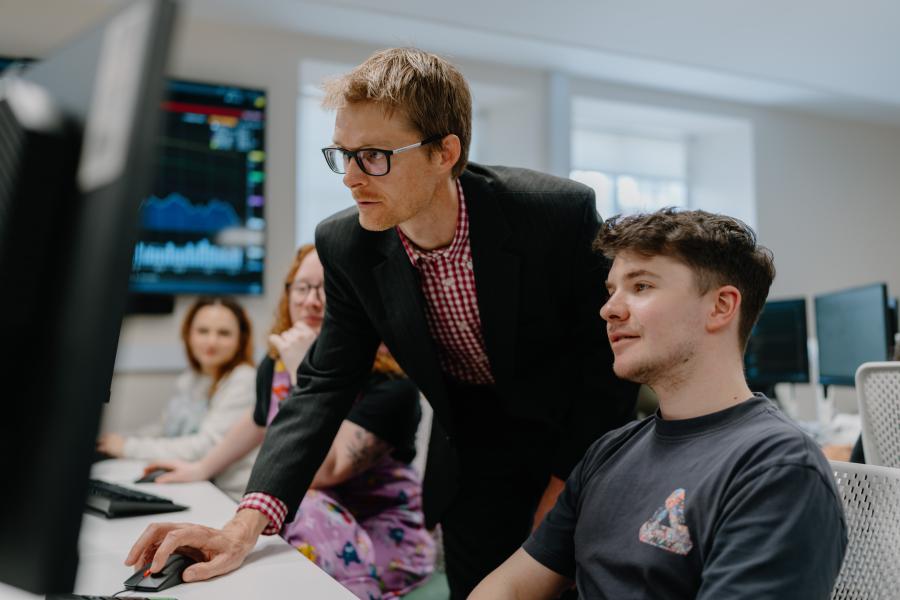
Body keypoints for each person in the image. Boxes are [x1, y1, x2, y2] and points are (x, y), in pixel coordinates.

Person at [125, 47, 638, 599]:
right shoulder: (346, 244)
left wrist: (565, 485)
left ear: (446, 151)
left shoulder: (553, 214)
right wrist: (243, 525)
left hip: (576, 448)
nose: (350, 178)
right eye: (342, 154)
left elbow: (604, 362)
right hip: (470, 464)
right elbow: (324, 385)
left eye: (372, 156)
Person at [470, 209, 848, 599]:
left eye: (642, 287)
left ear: (721, 307)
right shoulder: (609, 451)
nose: (609, 309)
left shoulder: (777, 469)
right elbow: (512, 586)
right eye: (611, 290)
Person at [141, 245, 435, 599]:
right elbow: (258, 423)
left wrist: (304, 375)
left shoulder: (392, 384)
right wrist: (199, 467)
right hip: (306, 518)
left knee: (300, 511)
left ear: (353, 299)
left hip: (379, 531)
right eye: (302, 287)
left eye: (326, 289)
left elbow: (325, 471)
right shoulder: (275, 363)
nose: (311, 300)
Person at [97, 296, 256, 499]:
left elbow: (204, 448)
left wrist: (128, 447)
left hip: (227, 496)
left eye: (223, 333)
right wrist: (118, 440)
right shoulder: (193, 378)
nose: (211, 341)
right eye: (203, 331)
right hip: (196, 485)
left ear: (240, 339)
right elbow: (164, 430)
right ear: (188, 334)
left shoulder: (244, 379)